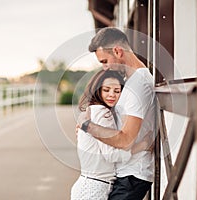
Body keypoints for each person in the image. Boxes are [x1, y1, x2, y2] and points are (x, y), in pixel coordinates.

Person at [78, 27, 156, 200]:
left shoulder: (139, 85)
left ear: (118, 51)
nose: (105, 68)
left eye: (105, 61)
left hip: (133, 176)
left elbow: (125, 139)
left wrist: (87, 126)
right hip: (124, 173)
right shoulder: (130, 82)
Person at [71, 69, 149, 200]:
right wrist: (143, 145)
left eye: (117, 91)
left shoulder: (92, 110)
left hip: (87, 184)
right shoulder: (103, 113)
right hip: (94, 188)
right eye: (106, 90)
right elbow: (111, 155)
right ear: (97, 90)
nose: (112, 95)